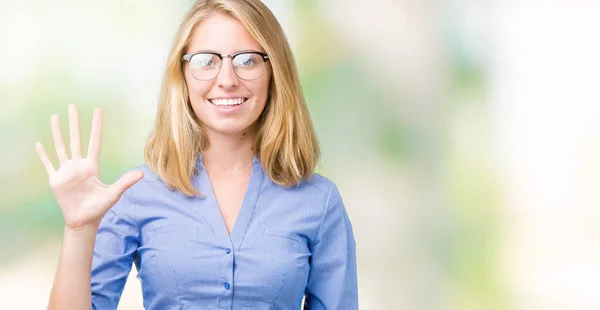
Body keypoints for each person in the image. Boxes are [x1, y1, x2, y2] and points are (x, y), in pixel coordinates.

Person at [36, 0, 358, 309]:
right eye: (207, 61)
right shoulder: (136, 195)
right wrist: (78, 229)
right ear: (183, 75)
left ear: (274, 72)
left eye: (247, 60)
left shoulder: (320, 202)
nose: (227, 80)